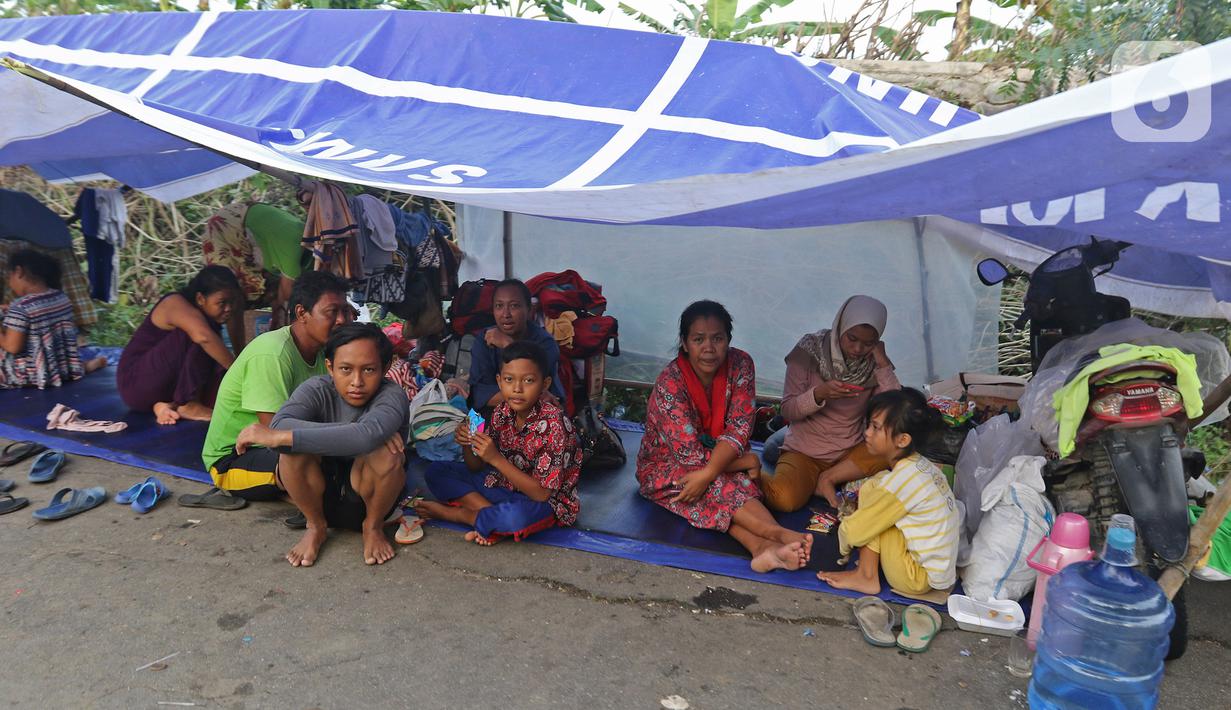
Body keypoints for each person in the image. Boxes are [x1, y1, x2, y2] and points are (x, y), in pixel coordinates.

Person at [636, 300, 812, 573]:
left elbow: (740, 427)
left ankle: (763, 550)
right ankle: (776, 534)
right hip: (664, 467)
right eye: (698, 339)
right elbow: (689, 456)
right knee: (724, 482)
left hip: (715, 460)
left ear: (728, 339)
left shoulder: (741, 364)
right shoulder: (670, 384)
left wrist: (713, 471)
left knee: (714, 485)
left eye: (717, 338)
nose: (709, 348)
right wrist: (742, 463)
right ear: (684, 343)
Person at [233, 323, 409, 567]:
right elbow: (282, 424)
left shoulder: (392, 395)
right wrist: (361, 431)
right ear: (330, 367)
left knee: (387, 454)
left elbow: (364, 437)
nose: (356, 381)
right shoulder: (315, 389)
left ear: (386, 367)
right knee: (291, 454)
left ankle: (372, 527)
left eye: (369, 370)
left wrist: (283, 436)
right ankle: (315, 527)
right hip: (320, 495)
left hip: (368, 499)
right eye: (345, 369)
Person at [201, 271, 353, 499]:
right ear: (302, 313)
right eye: (332, 312)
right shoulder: (273, 354)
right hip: (234, 458)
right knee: (308, 458)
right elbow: (275, 436)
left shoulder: (325, 352)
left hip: (280, 443)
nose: (342, 320)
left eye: (345, 311)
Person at [414, 341, 581, 546]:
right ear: (499, 382)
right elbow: (475, 466)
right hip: (502, 486)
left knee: (515, 518)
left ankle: (461, 516)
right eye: (509, 380)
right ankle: (489, 518)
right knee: (437, 471)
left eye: (528, 380)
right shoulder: (502, 411)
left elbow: (542, 494)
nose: (517, 389)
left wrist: (495, 458)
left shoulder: (555, 425)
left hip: (544, 502)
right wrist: (468, 442)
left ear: (544, 384)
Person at [759, 295, 901, 512]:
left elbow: (896, 409)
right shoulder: (809, 351)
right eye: (851, 338)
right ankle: (748, 472)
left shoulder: (874, 362)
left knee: (896, 447)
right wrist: (818, 394)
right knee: (784, 499)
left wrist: (882, 362)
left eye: (868, 343)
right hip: (805, 452)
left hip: (850, 452)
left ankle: (827, 479)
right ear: (840, 326)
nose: (857, 349)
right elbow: (788, 409)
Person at [818, 388, 958, 596]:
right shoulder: (919, 466)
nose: (867, 433)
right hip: (933, 570)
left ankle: (865, 576)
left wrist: (841, 543)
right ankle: (867, 570)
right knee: (874, 486)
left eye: (875, 428)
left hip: (915, 577)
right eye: (869, 425)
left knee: (875, 517)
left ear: (902, 440)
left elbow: (856, 532)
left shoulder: (903, 482)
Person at [116, 265, 242, 424]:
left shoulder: (210, 319)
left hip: (158, 386)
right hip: (135, 384)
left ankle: (167, 405)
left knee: (215, 349)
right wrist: (242, 375)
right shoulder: (175, 303)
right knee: (201, 333)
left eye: (232, 302)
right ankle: (188, 404)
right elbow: (203, 337)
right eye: (222, 303)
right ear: (200, 299)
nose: (228, 309)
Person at [203, 202, 310, 350]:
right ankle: (238, 357)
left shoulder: (313, 257)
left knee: (270, 291)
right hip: (229, 227)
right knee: (230, 299)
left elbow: (283, 298)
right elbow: (285, 300)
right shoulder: (294, 250)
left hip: (256, 237)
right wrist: (278, 325)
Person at [0, 249, 105, 388]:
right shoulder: (61, 298)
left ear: (19, 271)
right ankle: (87, 365)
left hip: (28, 374)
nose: (9, 283)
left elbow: (12, 347)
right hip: (62, 368)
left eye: (9, 277)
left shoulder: (20, 307)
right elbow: (39, 316)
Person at [468, 279, 564, 410]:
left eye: (514, 306)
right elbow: (479, 395)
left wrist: (508, 345)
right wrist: (531, 396)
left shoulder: (545, 343)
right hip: (493, 412)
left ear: (529, 309)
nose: (506, 314)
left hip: (536, 413)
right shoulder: (485, 340)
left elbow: (537, 392)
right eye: (499, 306)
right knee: (472, 426)